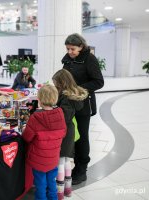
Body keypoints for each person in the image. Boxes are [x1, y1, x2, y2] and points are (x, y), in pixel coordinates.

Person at [61, 33, 104, 185]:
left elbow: (99, 82)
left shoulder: (89, 59)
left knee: (82, 137)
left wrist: (78, 89)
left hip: (84, 104)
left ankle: (81, 169)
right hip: (69, 104)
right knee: (73, 135)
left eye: (73, 49)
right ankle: (74, 166)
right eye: (67, 49)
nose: (70, 52)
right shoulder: (67, 59)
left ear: (81, 46)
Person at [22, 84, 67, 200]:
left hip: (38, 160)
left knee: (40, 186)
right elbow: (63, 133)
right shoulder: (60, 113)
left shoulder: (35, 117)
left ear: (40, 100)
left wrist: (24, 130)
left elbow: (27, 137)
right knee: (52, 182)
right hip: (53, 157)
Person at [52, 69, 88, 199]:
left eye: (56, 84)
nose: (55, 86)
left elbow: (63, 116)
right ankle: (67, 189)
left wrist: (53, 110)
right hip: (70, 130)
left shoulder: (66, 98)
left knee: (60, 161)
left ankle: (59, 192)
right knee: (67, 160)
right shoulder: (72, 96)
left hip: (64, 131)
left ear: (62, 83)